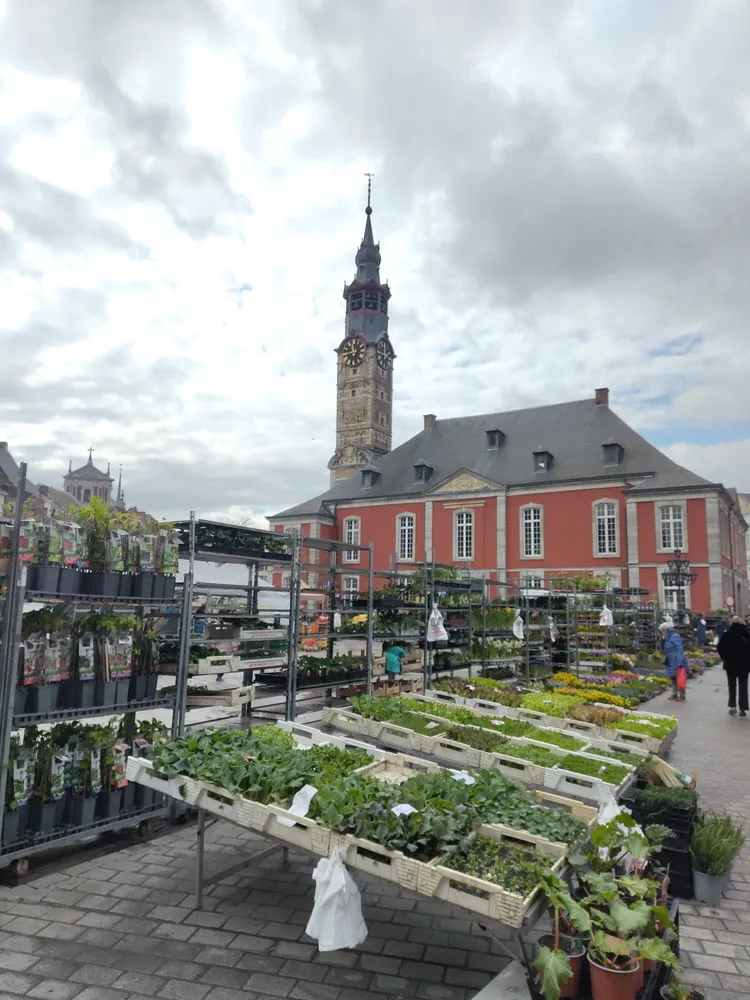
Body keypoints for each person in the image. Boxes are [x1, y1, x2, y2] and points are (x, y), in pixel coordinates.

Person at [717, 616, 750, 717]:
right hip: (744, 665)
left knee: (732, 685)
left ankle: (732, 706)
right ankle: (742, 709)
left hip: (730, 665)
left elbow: (719, 647)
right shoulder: (746, 634)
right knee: (743, 686)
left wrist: (724, 657)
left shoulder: (727, 634)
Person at [659, 621, 688, 701]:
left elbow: (679, 649)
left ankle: (682, 695)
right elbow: (663, 649)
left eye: (663, 631)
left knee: (679, 677)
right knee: (673, 677)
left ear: (666, 630)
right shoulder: (667, 638)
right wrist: (662, 640)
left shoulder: (675, 636)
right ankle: (674, 694)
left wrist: (680, 662)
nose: (662, 632)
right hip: (671, 659)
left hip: (676, 659)